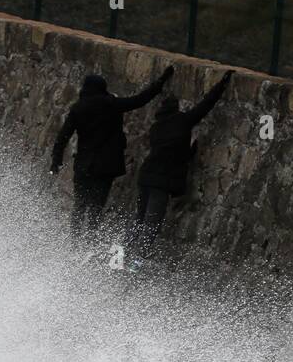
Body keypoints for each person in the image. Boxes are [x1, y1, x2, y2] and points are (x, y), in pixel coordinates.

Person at [50, 66, 175, 244]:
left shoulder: (78, 108)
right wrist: (160, 82)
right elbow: (139, 100)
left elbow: (62, 137)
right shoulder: (111, 104)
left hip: (84, 166)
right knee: (96, 207)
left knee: (80, 205)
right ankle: (90, 242)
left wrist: (56, 162)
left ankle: (75, 241)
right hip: (105, 167)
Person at [132, 69, 233, 260]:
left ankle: (124, 255)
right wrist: (222, 84)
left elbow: (167, 150)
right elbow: (206, 105)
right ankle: (137, 261)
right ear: (176, 109)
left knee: (139, 219)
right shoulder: (183, 121)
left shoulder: (156, 128)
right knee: (151, 224)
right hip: (162, 182)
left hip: (146, 176)